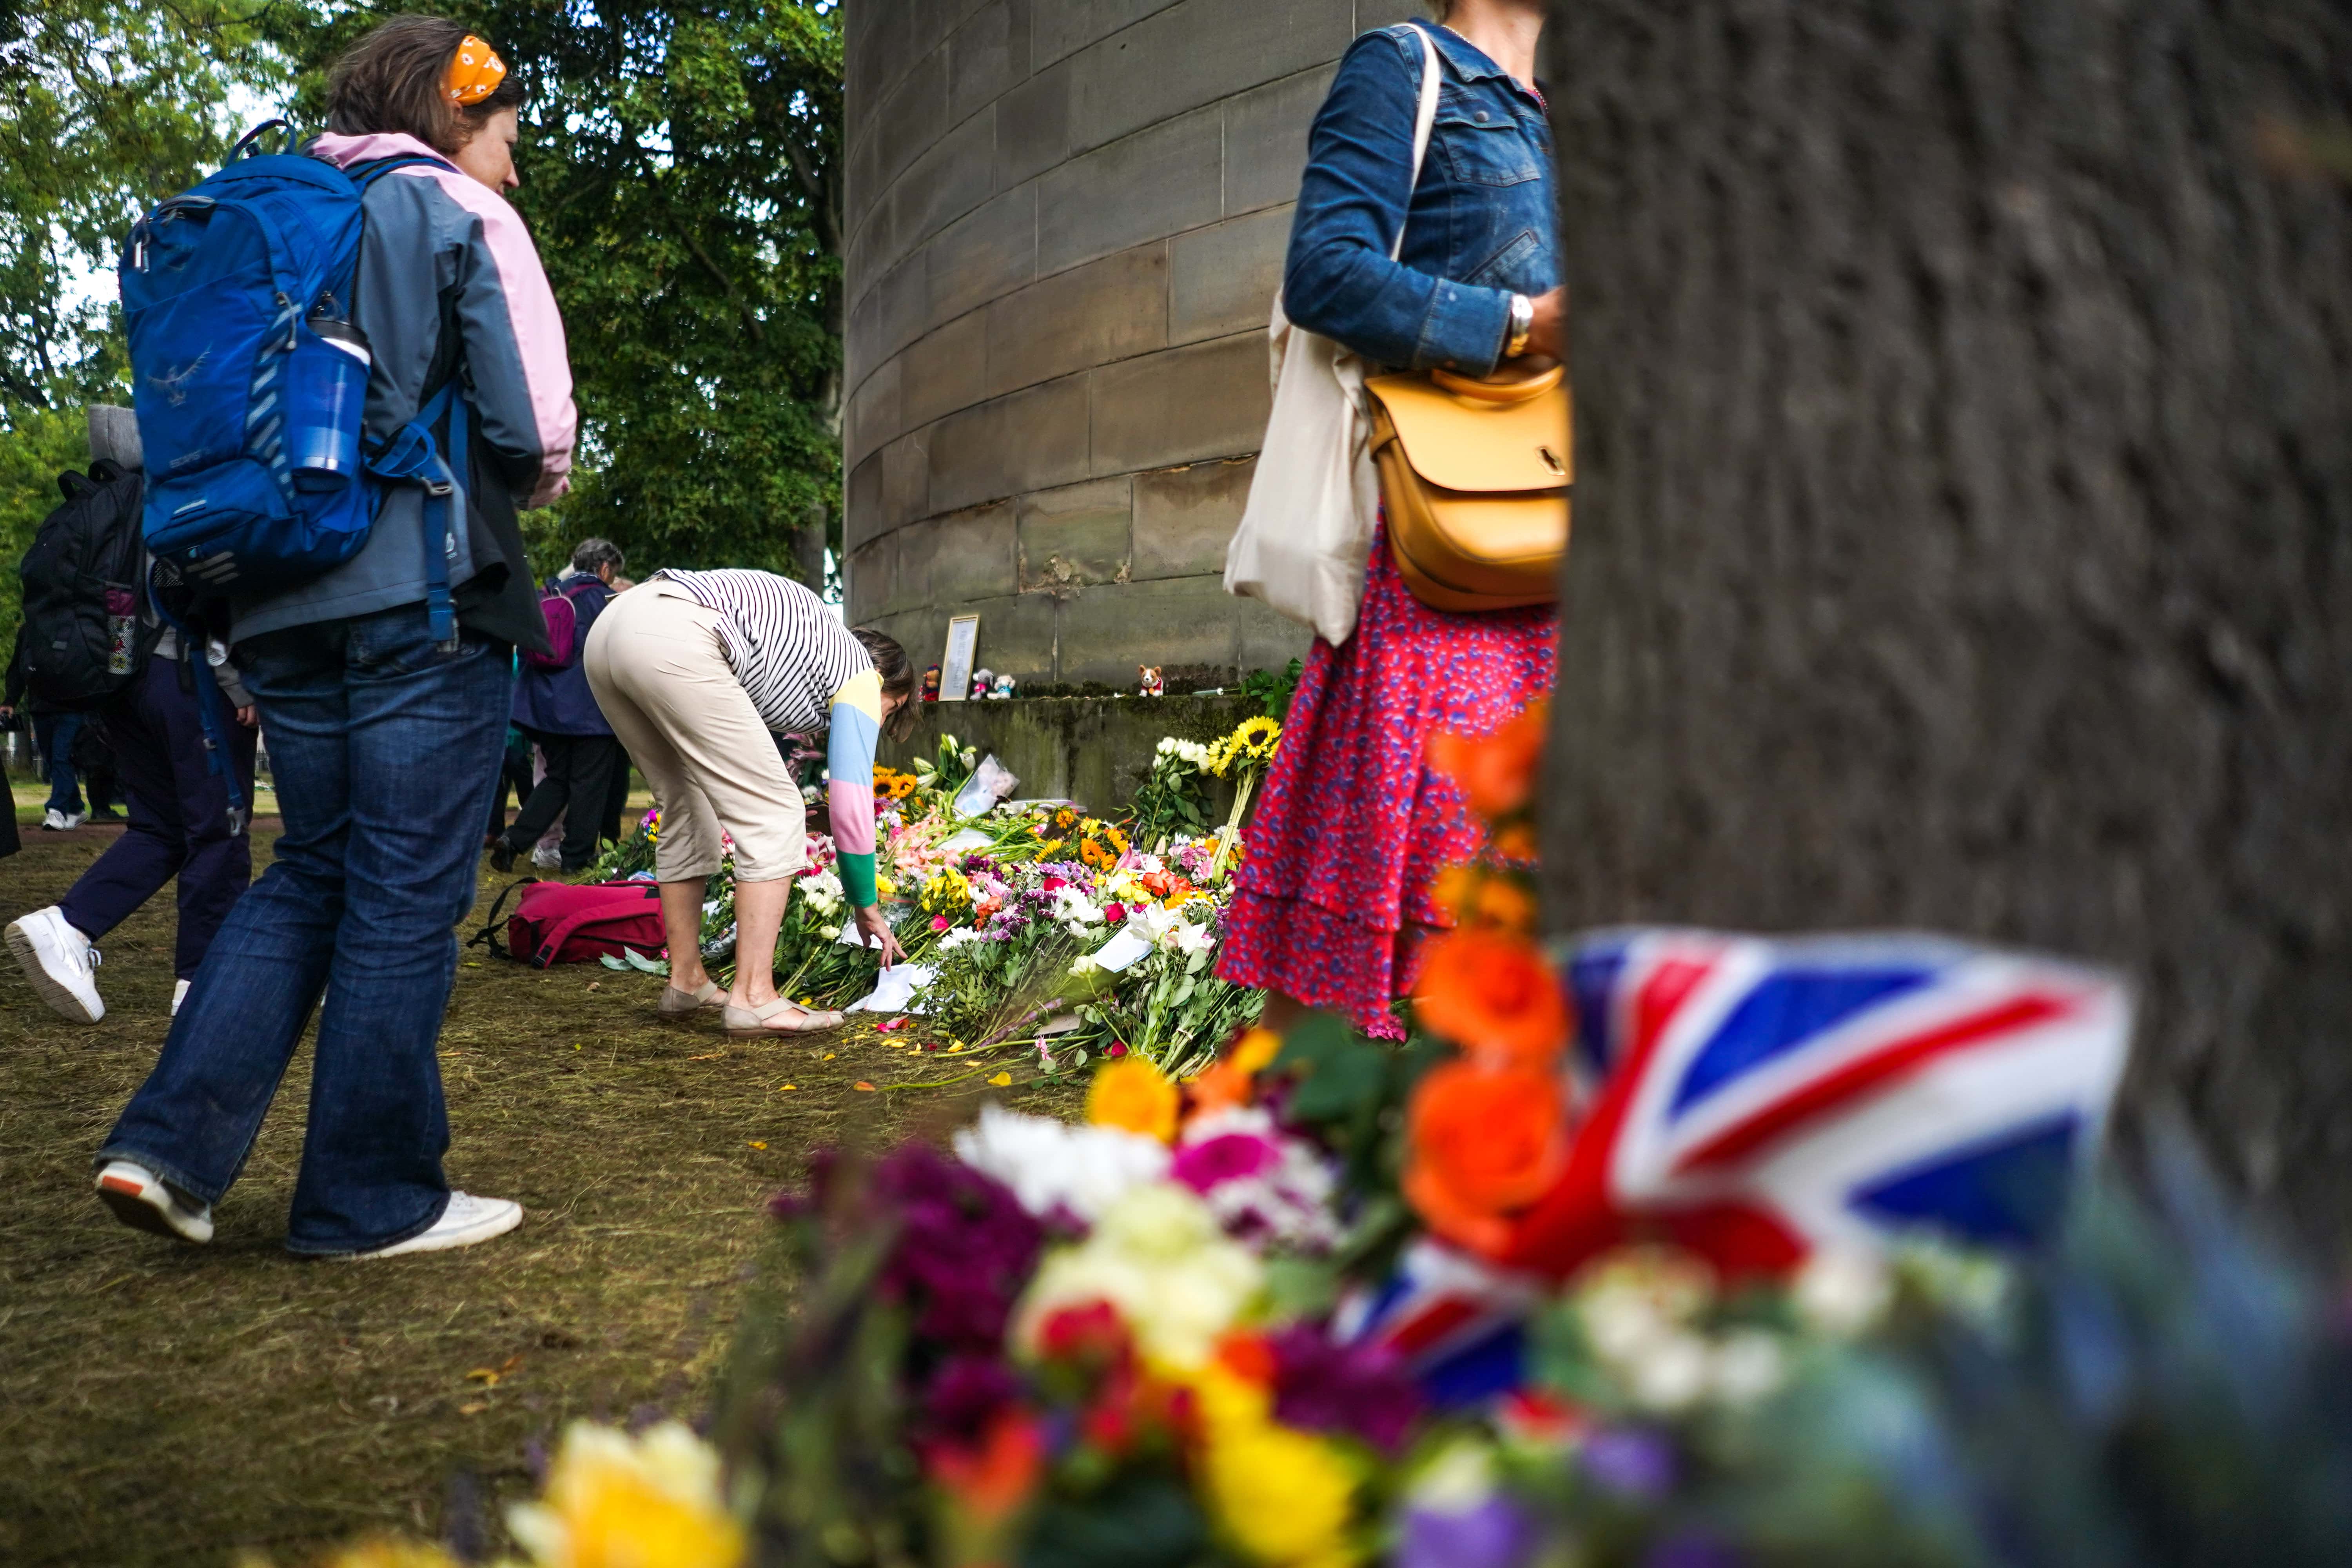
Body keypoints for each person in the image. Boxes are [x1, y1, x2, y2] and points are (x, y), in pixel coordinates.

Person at [93, 16, 576, 1258]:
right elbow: (533, 442)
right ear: (457, 113)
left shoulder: (277, 206)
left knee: (313, 864)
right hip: (417, 593)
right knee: (409, 892)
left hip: (270, 595)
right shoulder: (450, 210)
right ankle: (368, 1198)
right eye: (507, 136)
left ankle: (165, 1149)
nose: (512, 166)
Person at [1215, 0, 1561, 1040]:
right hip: (1444, 551)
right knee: (1433, 880)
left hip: (1553, 552)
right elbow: (1325, 270)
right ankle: (1339, 1161)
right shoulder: (1406, 67)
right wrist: (1516, 324)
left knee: (1523, 903)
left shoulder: (1553, 115)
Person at [582, 568, 916, 1035]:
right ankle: (755, 997)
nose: (881, 719)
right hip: (674, 632)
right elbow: (851, 802)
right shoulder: (860, 673)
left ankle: (687, 981)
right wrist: (865, 904)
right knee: (776, 812)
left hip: (611, 631)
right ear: (887, 687)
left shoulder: (803, 654)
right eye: (892, 709)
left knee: (685, 798)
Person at [7, 626, 261, 1024]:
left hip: (124, 677)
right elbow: (207, 595)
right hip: (191, 672)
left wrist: (119, 670)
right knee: (218, 832)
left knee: (161, 827)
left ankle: (70, 924)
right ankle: (203, 986)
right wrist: (236, 678)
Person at [491, 537, 628, 875]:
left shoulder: (550, 595)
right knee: (588, 786)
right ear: (606, 569)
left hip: (548, 711)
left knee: (556, 780)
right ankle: (576, 859)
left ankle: (514, 840)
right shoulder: (607, 602)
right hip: (591, 713)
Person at [8, 625, 90, 831]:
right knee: (53, 759)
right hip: (40, 706)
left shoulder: (76, 627)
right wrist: (10, 700)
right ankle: (76, 808)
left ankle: (57, 810)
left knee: (61, 756)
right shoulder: (28, 631)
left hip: (71, 705)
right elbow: (18, 668)